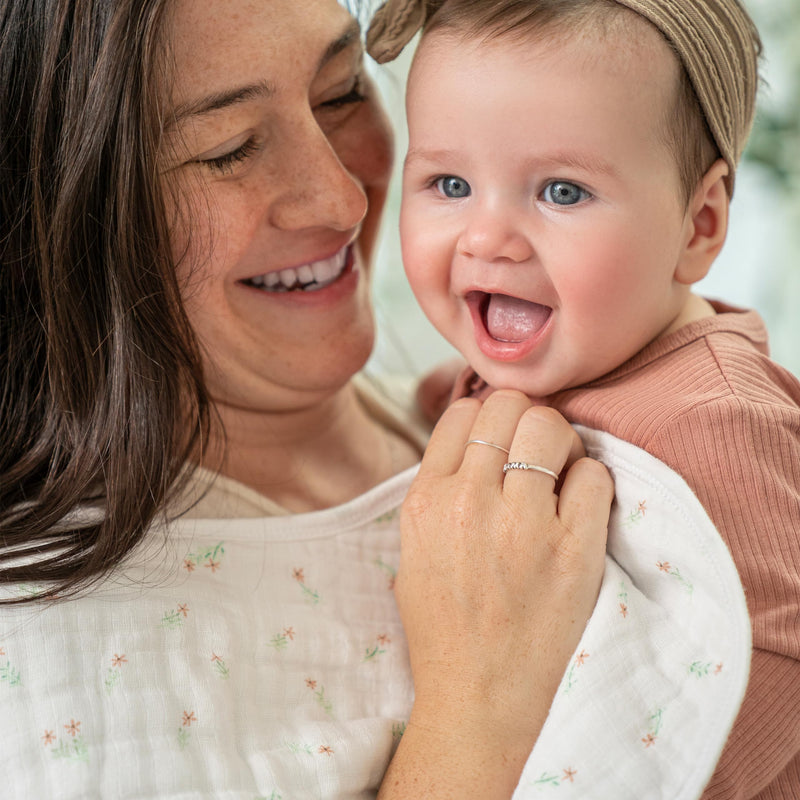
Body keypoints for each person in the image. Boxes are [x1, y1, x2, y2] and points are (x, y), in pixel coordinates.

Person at [0, 0, 618, 797]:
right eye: (228, 150)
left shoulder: (521, 423)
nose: (343, 200)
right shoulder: (43, 660)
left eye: (341, 91)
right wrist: (478, 713)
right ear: (40, 222)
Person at [385, 0, 800, 795]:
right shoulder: (524, 369)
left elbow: (771, 650)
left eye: (562, 193)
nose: (487, 239)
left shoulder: (721, 424)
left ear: (699, 225)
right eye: (449, 183)